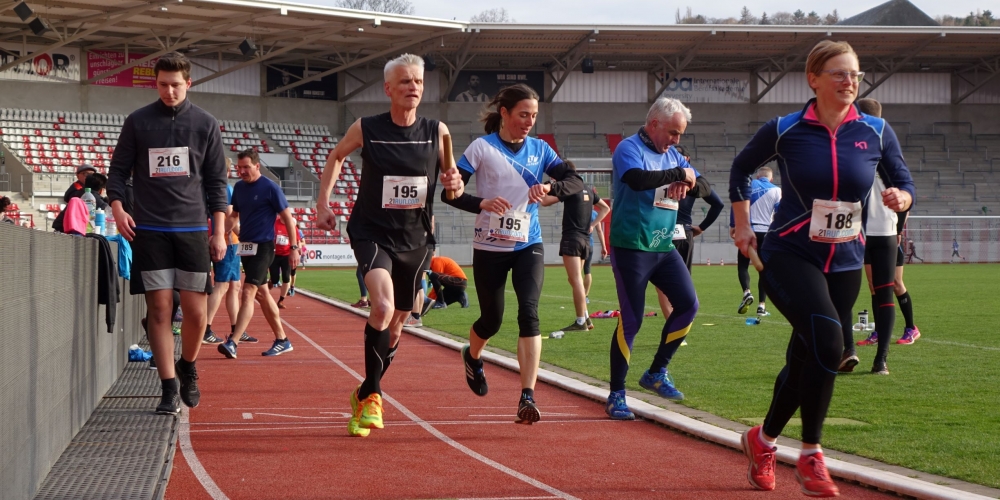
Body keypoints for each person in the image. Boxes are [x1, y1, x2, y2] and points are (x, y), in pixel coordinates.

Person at [731, 40, 913, 497]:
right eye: (838, 73)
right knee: (830, 344)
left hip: (845, 260)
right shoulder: (785, 129)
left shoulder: (876, 130)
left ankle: (763, 439)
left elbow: (902, 179)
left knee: (807, 356)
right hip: (790, 254)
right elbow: (740, 168)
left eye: (854, 74)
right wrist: (741, 227)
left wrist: (902, 197)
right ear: (813, 79)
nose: (849, 81)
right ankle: (812, 453)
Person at [316, 53, 449, 437]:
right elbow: (337, 155)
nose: (413, 88)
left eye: (419, 82)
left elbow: (454, 178)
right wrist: (324, 205)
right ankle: (374, 395)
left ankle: (363, 391)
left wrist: (456, 182)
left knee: (397, 326)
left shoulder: (436, 131)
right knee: (383, 306)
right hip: (372, 231)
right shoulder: (367, 127)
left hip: (416, 238)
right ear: (388, 88)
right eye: (405, 82)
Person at [441, 83, 583, 425]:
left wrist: (551, 187)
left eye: (533, 115)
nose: (529, 121)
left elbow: (575, 181)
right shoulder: (481, 148)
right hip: (489, 246)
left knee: (530, 314)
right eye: (523, 114)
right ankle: (472, 355)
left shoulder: (540, 149)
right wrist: (482, 203)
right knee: (491, 320)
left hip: (527, 244)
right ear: (504, 113)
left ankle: (527, 396)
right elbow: (450, 194)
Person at [106, 52, 229, 416]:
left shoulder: (206, 124)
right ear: (154, 83)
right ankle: (168, 385)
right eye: (162, 84)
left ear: (188, 83)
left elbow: (217, 183)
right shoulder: (138, 122)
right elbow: (117, 173)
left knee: (195, 313)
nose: (169, 91)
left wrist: (218, 232)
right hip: (151, 229)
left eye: (176, 85)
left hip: (192, 229)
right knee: (159, 309)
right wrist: (117, 208)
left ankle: (188, 365)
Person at [603, 97, 701, 423]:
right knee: (632, 321)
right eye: (673, 132)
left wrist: (688, 179)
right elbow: (636, 179)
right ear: (654, 124)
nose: (676, 140)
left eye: (680, 135)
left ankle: (657, 371)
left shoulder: (674, 153)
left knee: (689, 304)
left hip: (664, 246)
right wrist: (678, 173)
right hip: (631, 246)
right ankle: (617, 392)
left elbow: (705, 188)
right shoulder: (629, 148)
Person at [217, 149, 298, 359]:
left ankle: (233, 342)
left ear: (256, 166)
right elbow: (234, 216)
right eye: (239, 167)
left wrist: (294, 247)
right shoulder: (239, 189)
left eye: (246, 167)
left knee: (248, 291)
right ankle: (282, 339)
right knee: (262, 294)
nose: (242, 171)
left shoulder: (270, 188)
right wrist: (219, 234)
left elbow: (288, 219)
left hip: (264, 247)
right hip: (246, 247)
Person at [540, 172, 609, 332]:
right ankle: (586, 317)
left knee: (576, 280)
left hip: (572, 238)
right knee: (574, 280)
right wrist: (593, 224)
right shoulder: (588, 190)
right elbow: (605, 208)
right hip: (585, 240)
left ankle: (580, 322)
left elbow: (545, 202)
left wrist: (544, 189)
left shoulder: (569, 188)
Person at [203, 182, 256, 345]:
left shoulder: (212, 188)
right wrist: (246, 236)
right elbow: (230, 216)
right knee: (222, 285)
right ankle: (205, 329)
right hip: (228, 241)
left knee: (235, 285)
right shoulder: (225, 188)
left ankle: (237, 329)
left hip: (227, 240)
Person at [731, 166, 781, 316]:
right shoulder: (777, 190)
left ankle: (746, 292)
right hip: (766, 233)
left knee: (743, 266)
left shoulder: (747, 185)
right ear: (771, 178)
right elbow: (779, 213)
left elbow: (736, 205)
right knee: (763, 270)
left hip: (748, 231)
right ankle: (762, 306)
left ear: (758, 176)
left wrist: (733, 226)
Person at [672, 145, 724, 272]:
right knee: (681, 279)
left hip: (661, 231)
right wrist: (701, 228)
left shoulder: (662, 173)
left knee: (663, 280)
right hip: (682, 232)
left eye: (680, 157)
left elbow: (718, 204)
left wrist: (701, 228)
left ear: (687, 159)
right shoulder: (694, 180)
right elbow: (718, 204)